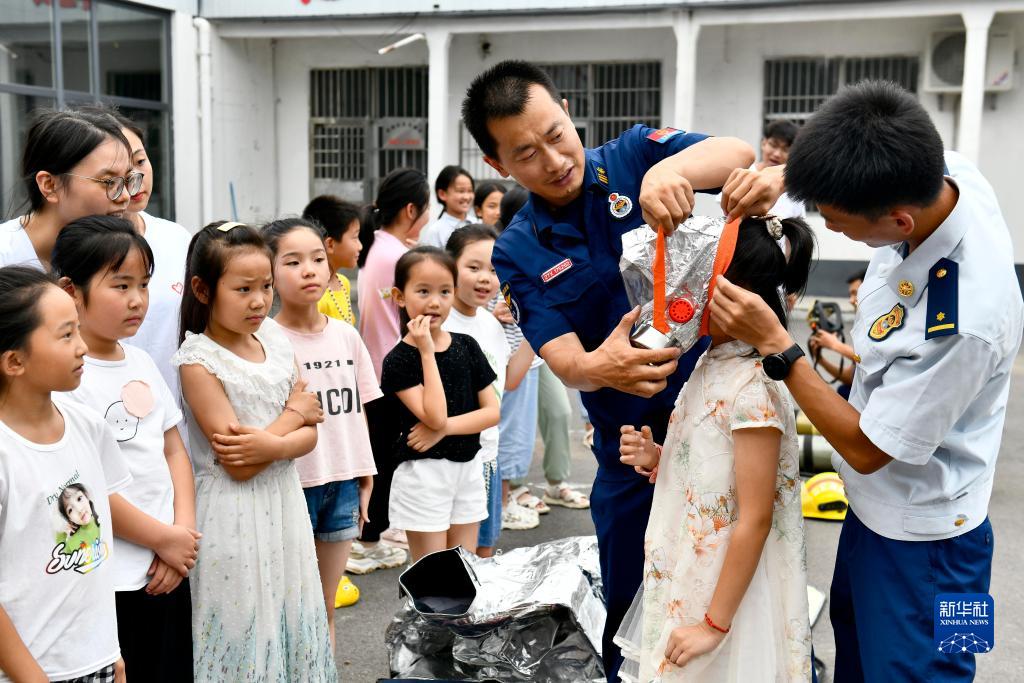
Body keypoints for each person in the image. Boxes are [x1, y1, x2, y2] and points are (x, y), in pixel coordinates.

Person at [712, 80, 1023, 682]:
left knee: (930, 669)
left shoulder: (964, 321)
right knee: (858, 654)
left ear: (898, 219)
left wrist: (781, 347)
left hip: (930, 541)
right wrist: (786, 177)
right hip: (874, 517)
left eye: (842, 224)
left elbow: (867, 448)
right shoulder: (944, 173)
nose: (836, 230)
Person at [462, 59, 754, 679]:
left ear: (567, 111)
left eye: (556, 133)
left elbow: (737, 152)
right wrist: (600, 366)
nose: (553, 158)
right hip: (628, 453)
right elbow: (561, 358)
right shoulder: (517, 249)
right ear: (499, 166)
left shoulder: (632, 157)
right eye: (526, 153)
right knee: (635, 616)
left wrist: (669, 173)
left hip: (719, 433)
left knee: (732, 596)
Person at [614, 216, 814, 682]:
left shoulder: (753, 385)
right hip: (690, 570)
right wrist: (661, 458)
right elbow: (716, 476)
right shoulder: (711, 361)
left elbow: (756, 516)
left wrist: (712, 624)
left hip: (723, 597)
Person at [172, 221, 337, 682]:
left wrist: (276, 438)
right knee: (244, 625)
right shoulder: (198, 360)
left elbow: (312, 434)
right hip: (232, 515)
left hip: (283, 503)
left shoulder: (276, 339)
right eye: (243, 289)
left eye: (265, 286)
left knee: (289, 616)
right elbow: (239, 463)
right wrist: (289, 421)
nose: (260, 300)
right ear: (203, 290)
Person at [53, 216, 197, 682]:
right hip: (112, 578)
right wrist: (163, 539)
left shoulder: (140, 361)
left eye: (144, 284)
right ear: (71, 291)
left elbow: (174, 450)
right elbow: (83, 488)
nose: (137, 300)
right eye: (120, 285)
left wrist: (184, 536)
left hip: (170, 565)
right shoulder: (67, 379)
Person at [0, 266, 131, 683]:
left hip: (97, 662)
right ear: (14, 361)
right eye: (66, 335)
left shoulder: (88, 426)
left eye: (79, 330)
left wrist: (111, 654)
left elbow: (95, 562)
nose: (82, 348)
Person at [262, 217, 381, 647]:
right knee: (288, 606)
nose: (310, 270)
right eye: (292, 262)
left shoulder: (347, 336)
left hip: (344, 484)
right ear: (268, 272)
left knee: (324, 607)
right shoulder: (264, 339)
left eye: (317, 258)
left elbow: (359, 412)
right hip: (289, 485)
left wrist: (366, 475)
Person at [380, 246, 500, 561]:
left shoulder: (467, 345)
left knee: (465, 569)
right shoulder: (399, 359)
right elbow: (434, 416)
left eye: (445, 291)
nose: (435, 301)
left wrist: (443, 431)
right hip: (424, 475)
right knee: (432, 578)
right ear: (400, 296)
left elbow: (491, 412)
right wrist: (426, 351)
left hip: (468, 467)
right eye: (423, 291)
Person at [352, 168, 429, 573]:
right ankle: (370, 535)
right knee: (388, 456)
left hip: (374, 365)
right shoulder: (398, 257)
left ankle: (373, 531)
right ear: (413, 209)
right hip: (393, 369)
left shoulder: (377, 248)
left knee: (380, 454)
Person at [443, 224, 533, 557]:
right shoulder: (438, 325)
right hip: (451, 461)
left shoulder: (490, 323)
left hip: (488, 457)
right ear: (449, 265)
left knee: (483, 549)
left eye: (494, 270)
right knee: (451, 560)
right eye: (474, 267)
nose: (485, 278)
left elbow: (507, 381)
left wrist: (535, 330)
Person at [92, 107, 193, 403]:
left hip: (177, 408)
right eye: (117, 172)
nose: (134, 177)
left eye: (139, 161)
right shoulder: (79, 250)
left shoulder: (176, 237)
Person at [1, 108, 135, 270]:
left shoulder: (115, 254)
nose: (125, 196)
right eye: (109, 182)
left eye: (127, 180)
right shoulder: (5, 257)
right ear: (49, 185)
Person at [303, 195, 364, 326]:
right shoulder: (315, 294)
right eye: (355, 237)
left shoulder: (343, 282)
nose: (360, 246)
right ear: (330, 244)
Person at [808, 269, 865, 391]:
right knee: (843, 389)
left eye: (855, 293)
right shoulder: (861, 323)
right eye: (850, 295)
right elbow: (850, 378)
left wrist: (834, 344)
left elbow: (869, 359)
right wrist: (819, 359)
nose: (851, 300)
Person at [418, 165, 475, 249]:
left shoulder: (479, 223)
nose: (466, 197)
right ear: (442, 194)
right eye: (461, 191)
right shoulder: (435, 232)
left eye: (470, 191)